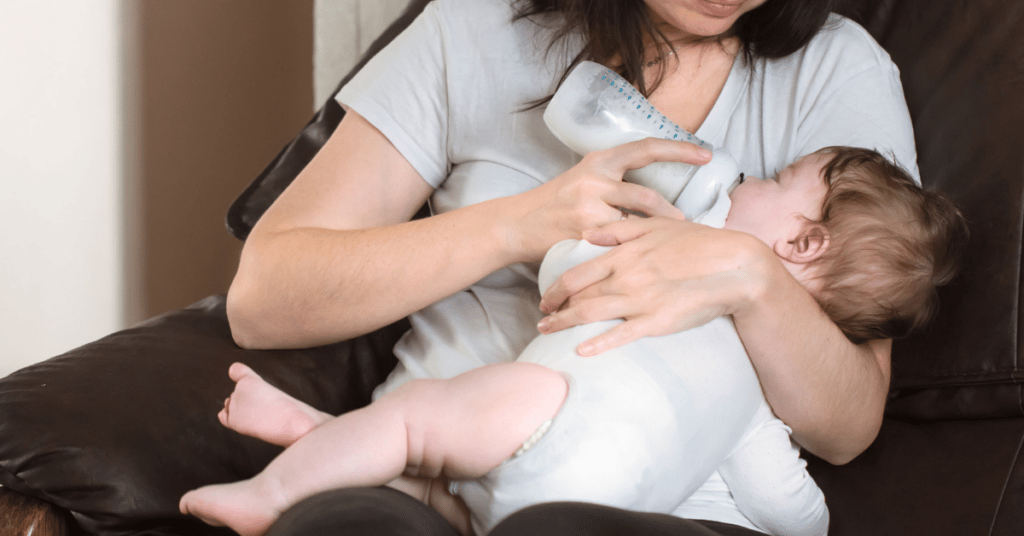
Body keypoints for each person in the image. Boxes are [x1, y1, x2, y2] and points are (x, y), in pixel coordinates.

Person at [222, 0, 920, 534]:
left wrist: (751, 277)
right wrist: (518, 225)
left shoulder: (836, 71)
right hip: (429, 471)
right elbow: (263, 299)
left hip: (674, 510)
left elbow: (848, 422)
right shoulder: (473, 29)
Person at [180, 147, 968, 536]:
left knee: (419, 425)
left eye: (773, 178)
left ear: (801, 246)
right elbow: (786, 505)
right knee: (432, 494)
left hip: (544, 415)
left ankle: (273, 491)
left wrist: (621, 235)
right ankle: (316, 438)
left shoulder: (696, 282)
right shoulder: (758, 393)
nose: (745, 181)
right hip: (603, 502)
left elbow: (566, 270)